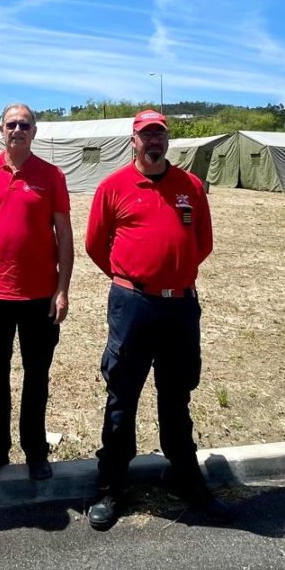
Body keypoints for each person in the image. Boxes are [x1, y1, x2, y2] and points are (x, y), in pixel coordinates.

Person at [83, 109, 229, 531]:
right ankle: (111, 486)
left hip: (180, 307)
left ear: (167, 141)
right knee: (121, 397)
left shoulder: (191, 186)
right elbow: (95, 244)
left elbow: (202, 242)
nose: (153, 141)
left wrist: (173, 275)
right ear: (133, 140)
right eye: (145, 135)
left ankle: (185, 477)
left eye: (159, 135)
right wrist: (133, 277)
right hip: (133, 306)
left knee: (176, 395)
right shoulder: (113, 187)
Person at [0, 103, 72, 481]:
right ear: (1, 131)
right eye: (12, 124)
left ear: (34, 132)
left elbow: (64, 235)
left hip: (39, 296)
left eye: (25, 124)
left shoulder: (51, 176)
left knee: (36, 377)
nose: (18, 129)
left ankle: (35, 450)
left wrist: (63, 289)